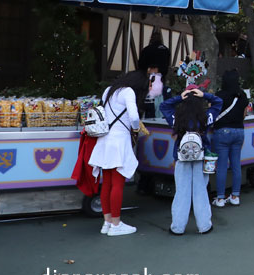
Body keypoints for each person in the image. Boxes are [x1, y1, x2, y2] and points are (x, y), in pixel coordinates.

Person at [89, 70, 148, 237]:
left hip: (105, 140)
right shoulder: (128, 92)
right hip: (119, 141)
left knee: (106, 182)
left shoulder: (108, 90)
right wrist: (136, 129)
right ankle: (116, 224)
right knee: (118, 183)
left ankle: (107, 222)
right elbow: (134, 116)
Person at [160, 87, 223, 235]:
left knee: (181, 191)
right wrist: (205, 95)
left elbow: (163, 106)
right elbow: (219, 102)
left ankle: (177, 227)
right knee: (201, 191)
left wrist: (179, 97)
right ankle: (204, 226)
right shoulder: (206, 116)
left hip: (181, 158)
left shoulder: (177, 117)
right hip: (201, 157)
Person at [212, 69, 248, 208]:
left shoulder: (219, 95)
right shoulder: (243, 95)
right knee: (236, 165)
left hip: (222, 131)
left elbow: (213, 112)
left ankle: (220, 198)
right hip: (239, 131)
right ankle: (235, 196)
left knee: (221, 166)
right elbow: (244, 115)